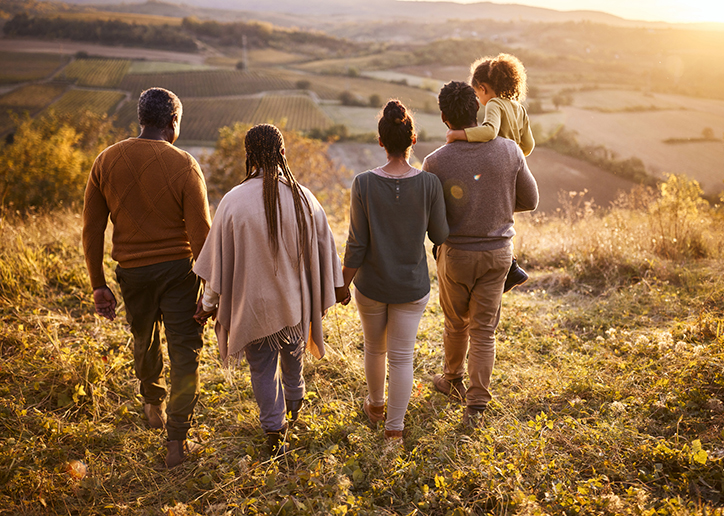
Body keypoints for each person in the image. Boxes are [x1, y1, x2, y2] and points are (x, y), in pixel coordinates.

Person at [192, 124, 347, 456]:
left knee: (261, 368)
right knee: (293, 359)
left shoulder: (232, 203)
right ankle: (294, 408)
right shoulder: (305, 198)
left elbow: (217, 268)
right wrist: (336, 288)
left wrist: (207, 305)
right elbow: (327, 251)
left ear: (249, 156)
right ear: (282, 154)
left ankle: (275, 432)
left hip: (254, 309)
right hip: (295, 307)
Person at [82, 87, 211, 468]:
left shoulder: (106, 160)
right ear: (174, 122)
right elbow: (201, 233)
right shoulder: (185, 164)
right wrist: (211, 291)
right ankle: (177, 442)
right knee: (185, 351)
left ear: (141, 120)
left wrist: (98, 285)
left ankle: (152, 403)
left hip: (131, 272)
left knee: (144, 337)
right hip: (179, 272)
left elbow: (91, 230)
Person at [423, 81, 538, 428]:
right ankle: (476, 405)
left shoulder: (435, 161)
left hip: (455, 255)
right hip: (498, 254)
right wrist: (499, 206)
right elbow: (530, 201)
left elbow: (431, 217)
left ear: (444, 117)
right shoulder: (509, 150)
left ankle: (452, 379)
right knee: (484, 330)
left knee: (456, 323)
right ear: (477, 110)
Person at [341, 100, 449, 443]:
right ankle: (394, 431)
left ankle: (375, 407)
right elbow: (441, 235)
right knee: (402, 358)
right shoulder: (430, 183)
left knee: (374, 348)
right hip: (411, 286)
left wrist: (342, 285)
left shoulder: (363, 183)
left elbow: (356, 243)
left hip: (370, 285)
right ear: (413, 140)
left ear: (380, 141)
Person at [446, 53, 535, 289]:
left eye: (477, 93)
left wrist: (459, 134)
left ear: (483, 88)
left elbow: (489, 132)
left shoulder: (495, 104)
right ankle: (510, 267)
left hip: (496, 165)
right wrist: (514, 154)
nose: (478, 100)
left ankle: (511, 269)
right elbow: (529, 145)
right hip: (510, 169)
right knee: (504, 218)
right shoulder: (519, 108)